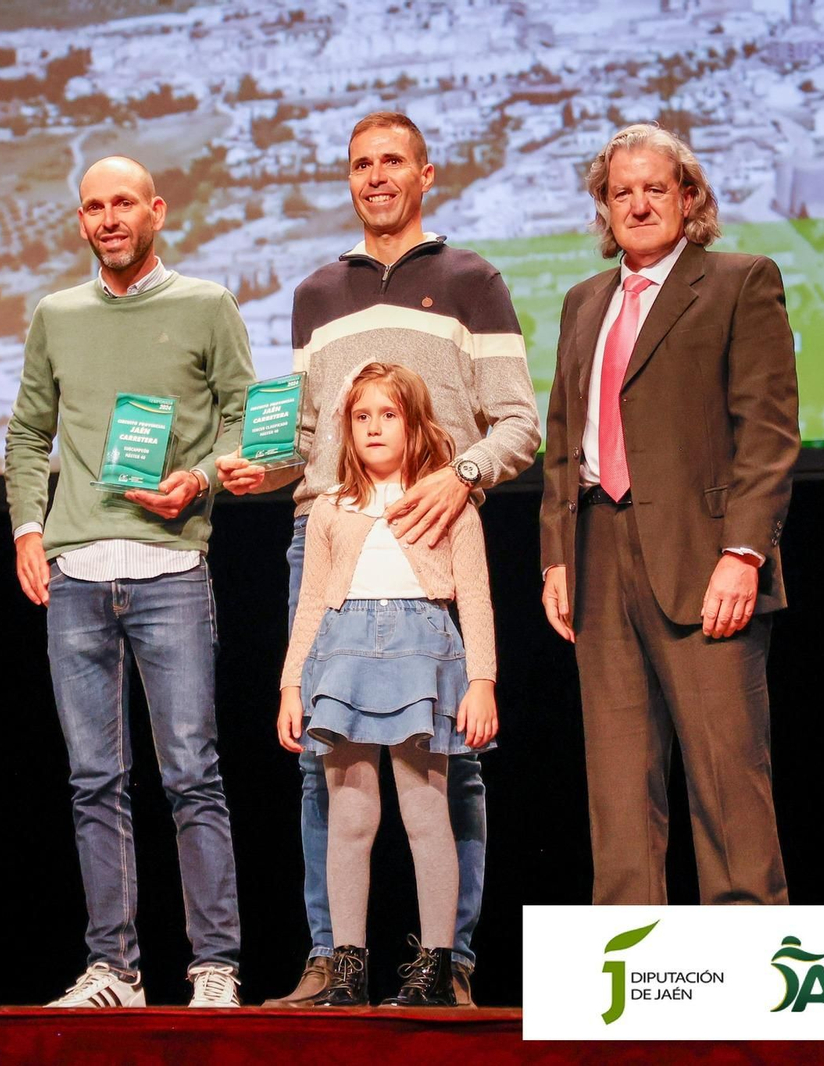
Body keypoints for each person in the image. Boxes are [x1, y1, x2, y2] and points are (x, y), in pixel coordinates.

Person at [217, 112, 539, 1006]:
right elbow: (311, 435)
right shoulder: (319, 292)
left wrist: (464, 475)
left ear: (425, 173)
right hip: (328, 539)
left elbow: (519, 421)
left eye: (392, 161)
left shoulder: (473, 279)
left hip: (433, 543)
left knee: (448, 771)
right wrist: (264, 466)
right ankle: (335, 960)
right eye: (362, 165)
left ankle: (451, 964)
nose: (376, 177)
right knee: (327, 764)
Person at [6, 156, 254, 1008]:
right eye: (93, 207)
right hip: (76, 576)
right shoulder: (56, 315)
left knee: (191, 773)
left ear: (156, 211)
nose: (108, 218)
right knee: (93, 781)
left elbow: (246, 418)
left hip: (173, 570)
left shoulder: (205, 305)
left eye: (123, 204)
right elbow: (29, 433)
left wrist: (201, 480)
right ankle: (114, 969)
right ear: (81, 222)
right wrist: (28, 528)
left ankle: (214, 966)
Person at [539, 123, 799, 906]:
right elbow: (562, 441)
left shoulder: (740, 281)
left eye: (656, 188)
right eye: (623, 192)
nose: (639, 204)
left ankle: (752, 975)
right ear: (603, 207)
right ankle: (627, 990)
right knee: (618, 788)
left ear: (690, 197)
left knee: (728, 779)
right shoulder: (584, 301)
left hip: (705, 555)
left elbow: (769, 432)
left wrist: (744, 553)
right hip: (597, 556)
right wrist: (556, 553)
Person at [277, 363, 497, 1008]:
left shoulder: (446, 501)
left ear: (415, 422)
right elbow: (312, 603)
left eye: (388, 414)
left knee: (428, 815)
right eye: (361, 415)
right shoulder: (329, 509)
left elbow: (476, 599)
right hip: (342, 657)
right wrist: (293, 686)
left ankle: (435, 967)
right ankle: (347, 968)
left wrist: (481, 681)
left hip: (420, 654)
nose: (374, 427)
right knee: (349, 816)